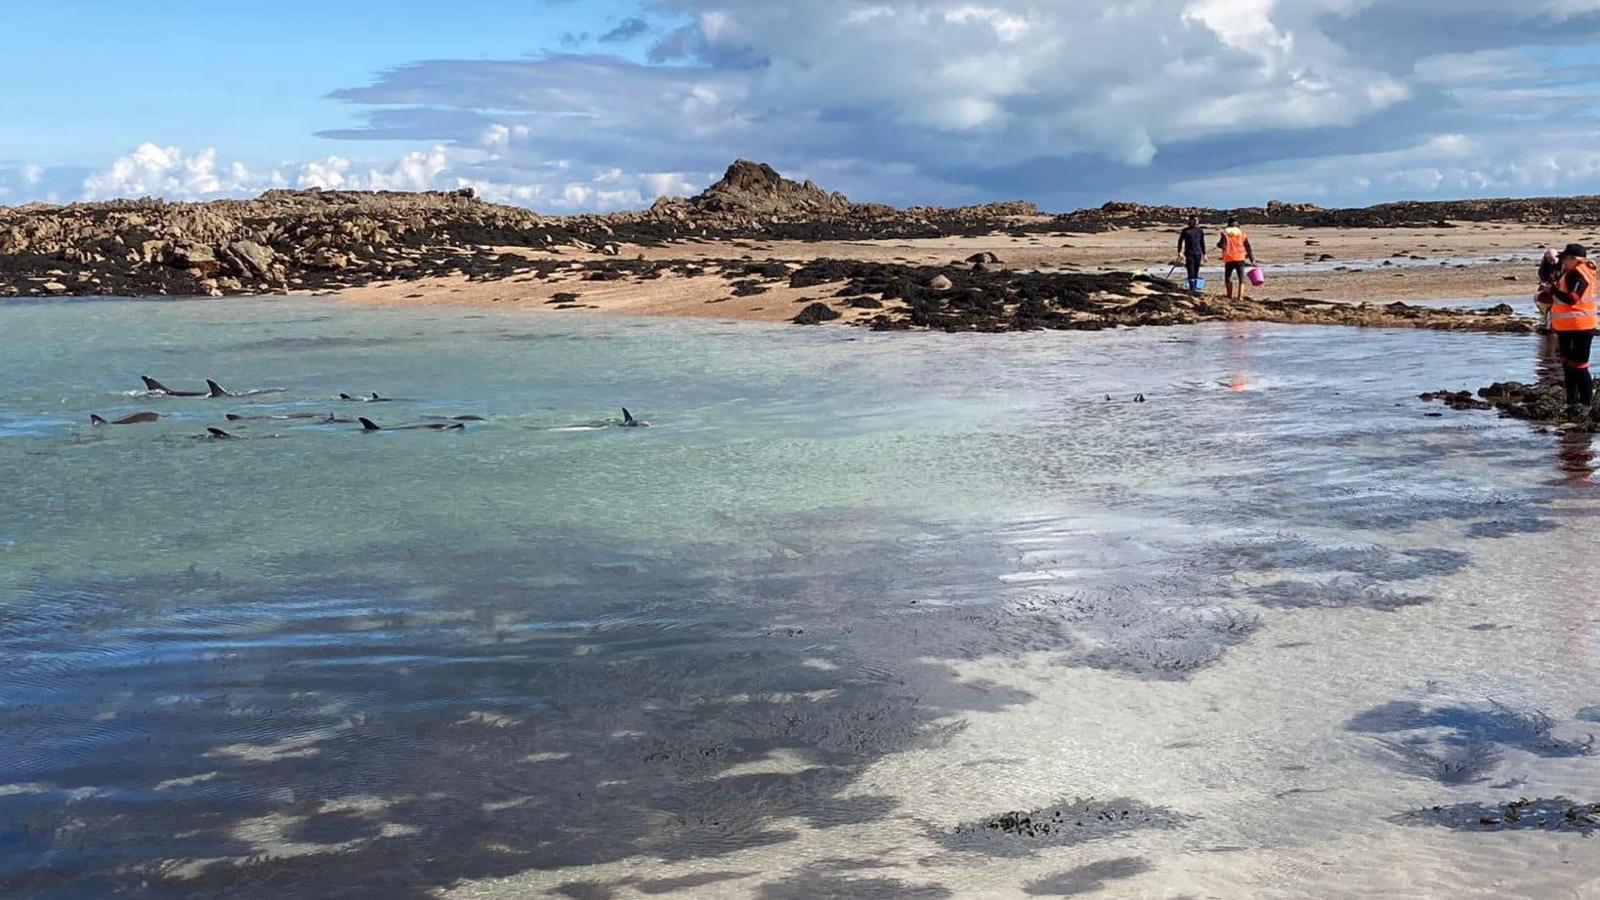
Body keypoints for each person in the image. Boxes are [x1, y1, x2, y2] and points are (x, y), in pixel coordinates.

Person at [1550, 243, 1598, 414]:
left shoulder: (1579, 274)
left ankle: (1585, 405)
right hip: (1567, 327)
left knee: (1579, 367)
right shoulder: (1571, 272)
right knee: (1567, 365)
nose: (1562, 261)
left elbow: (1572, 299)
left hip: (1580, 327)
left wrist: (1552, 290)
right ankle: (1571, 402)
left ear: (1574, 259)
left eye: (1564, 258)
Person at [1218, 216, 1255, 300]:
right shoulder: (1242, 234)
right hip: (1240, 258)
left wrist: (1220, 243)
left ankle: (1229, 295)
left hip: (1229, 258)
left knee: (1228, 277)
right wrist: (1252, 260)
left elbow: (1221, 245)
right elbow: (1248, 247)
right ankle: (1240, 297)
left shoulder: (1226, 234)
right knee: (1241, 278)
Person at [1176, 216, 1206, 291]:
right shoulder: (1185, 231)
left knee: (1196, 272)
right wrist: (1180, 252)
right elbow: (1180, 241)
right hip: (1189, 253)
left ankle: (1195, 288)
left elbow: (1202, 243)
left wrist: (1204, 254)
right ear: (1190, 221)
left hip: (1198, 253)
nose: (1196, 222)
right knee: (1191, 271)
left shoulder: (1200, 231)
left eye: (1197, 220)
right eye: (1194, 220)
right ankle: (1192, 289)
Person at [1537, 248, 1561, 331]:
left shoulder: (1563, 264)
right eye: (1549, 259)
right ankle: (1546, 320)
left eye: (1553, 259)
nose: (1552, 262)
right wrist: (1545, 283)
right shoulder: (1544, 266)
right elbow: (1542, 275)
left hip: (1559, 287)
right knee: (1540, 299)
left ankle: (1554, 322)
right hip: (1548, 286)